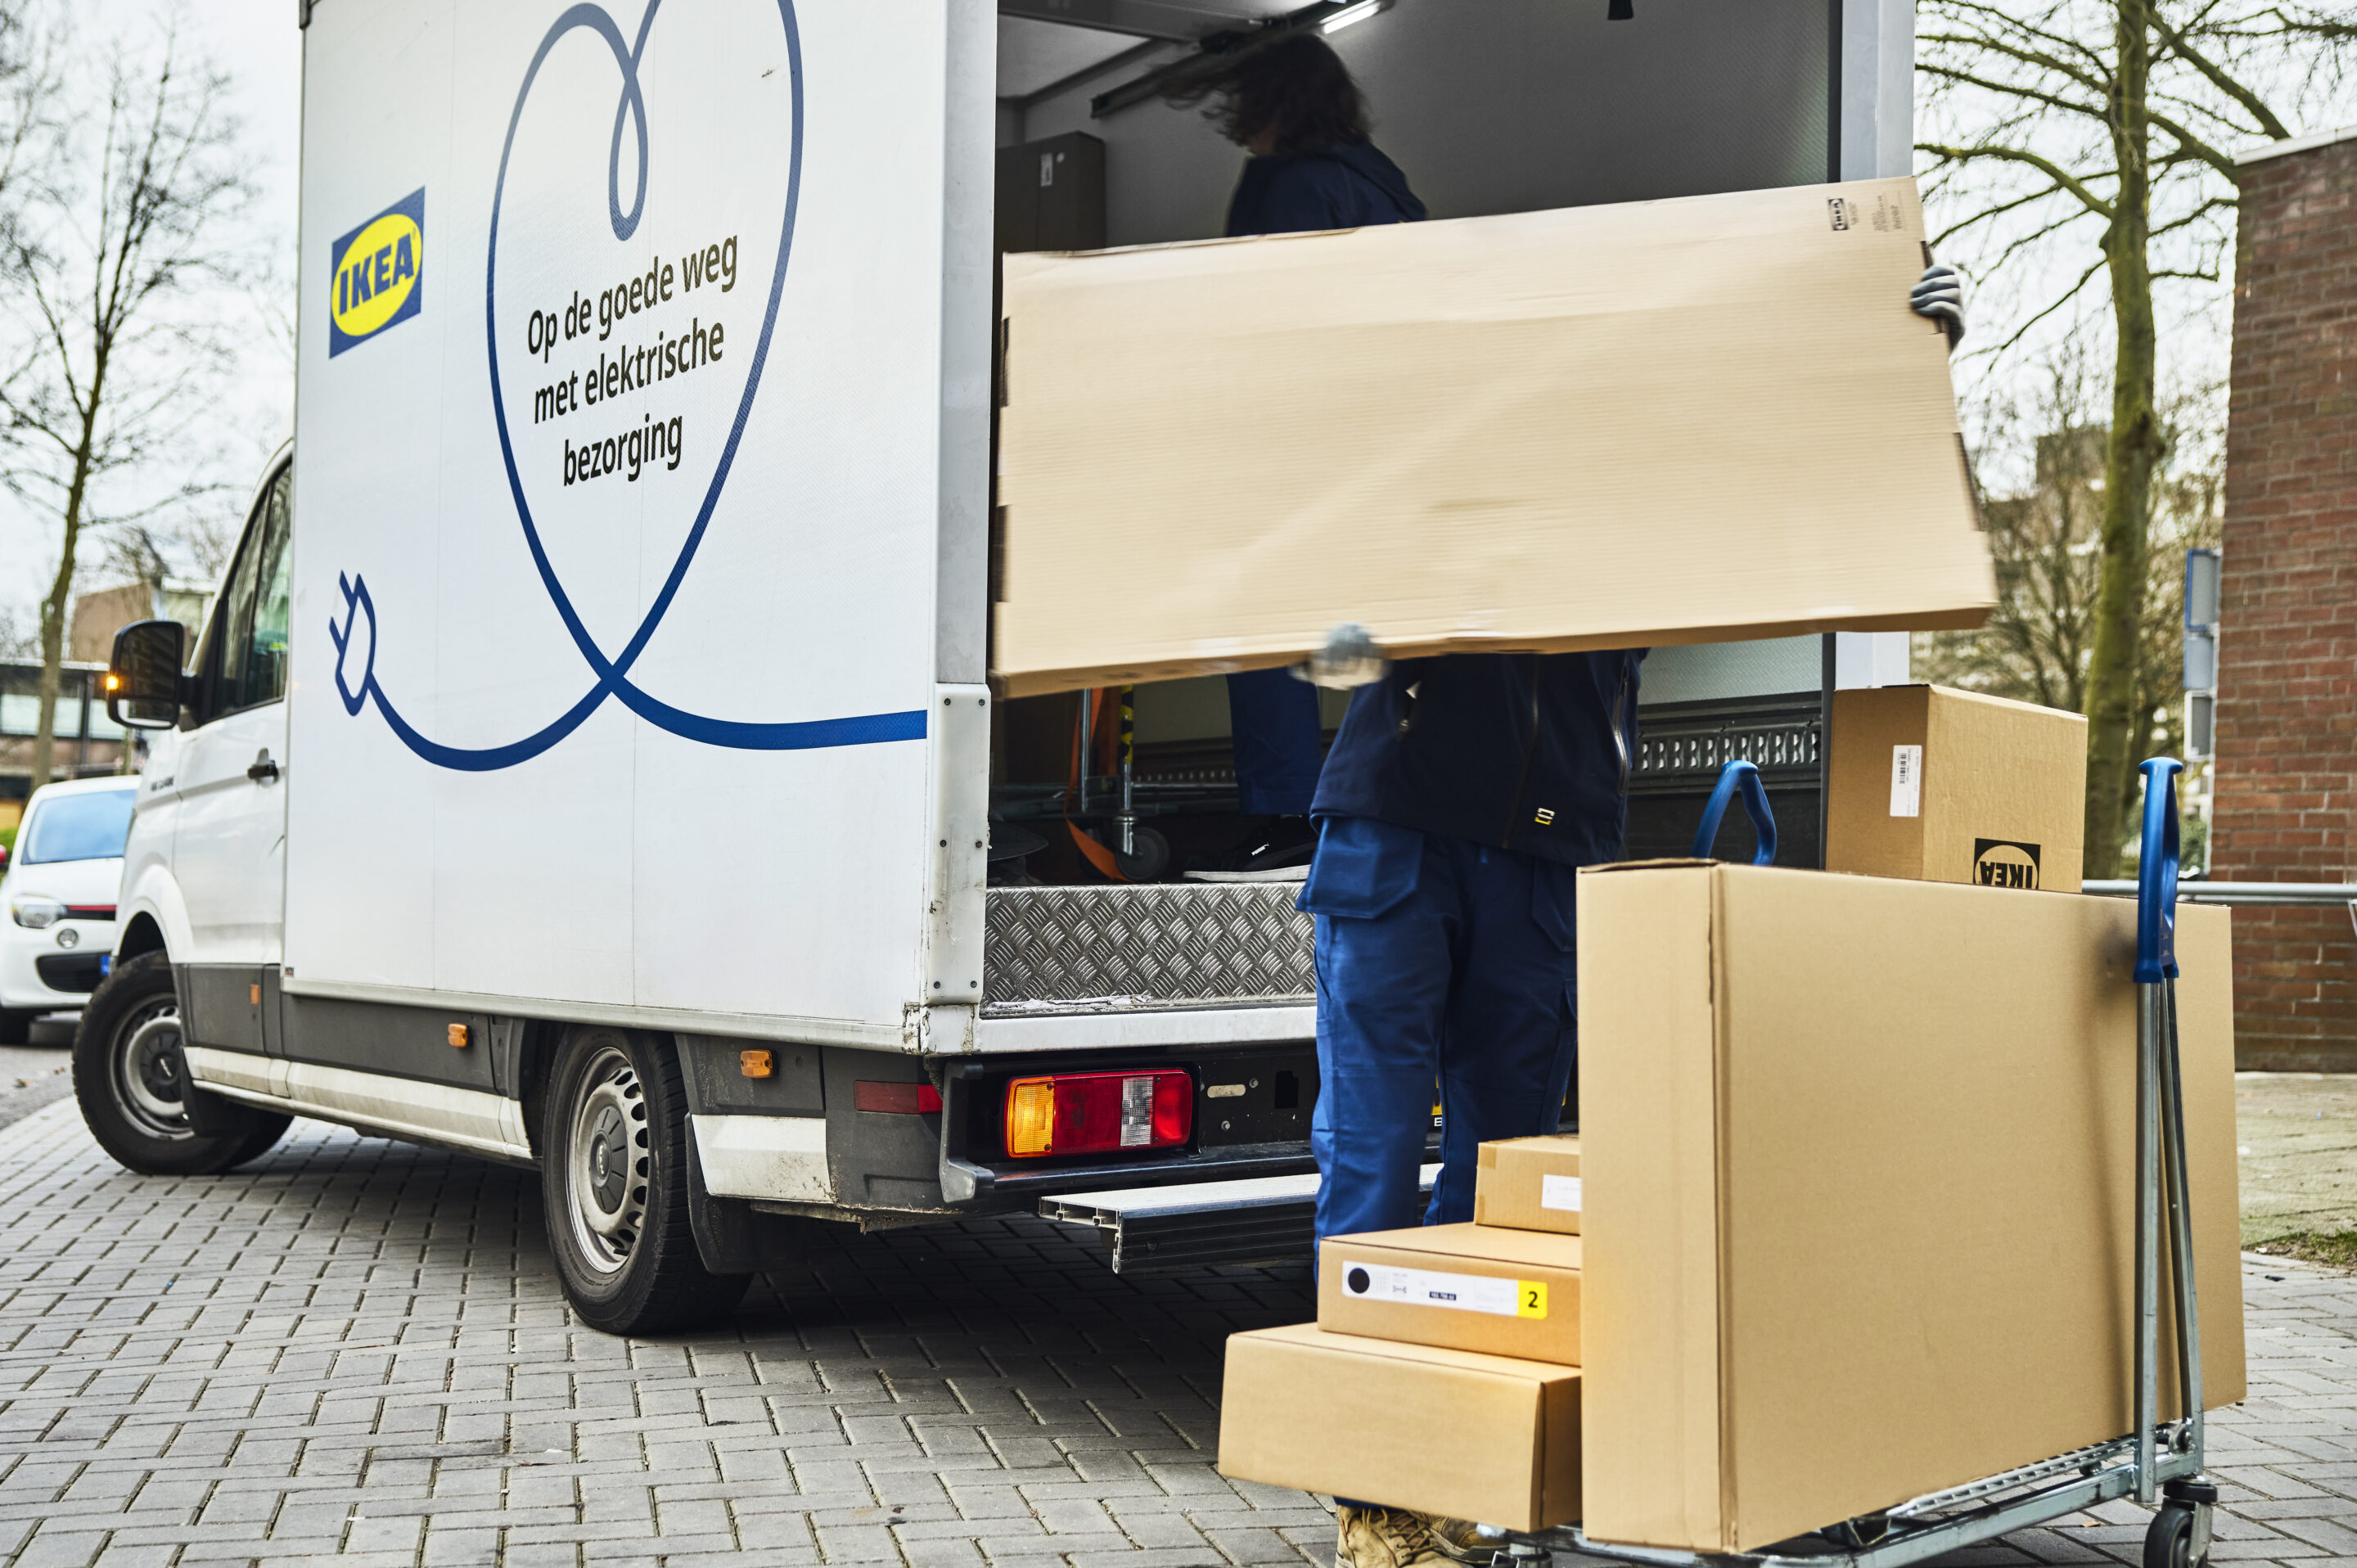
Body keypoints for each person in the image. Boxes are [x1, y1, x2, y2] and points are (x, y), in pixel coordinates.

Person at [1181, 33, 1427, 878]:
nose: (1242, 134)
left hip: (1305, 445)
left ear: (1273, 107)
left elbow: (1262, 323)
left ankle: (1288, 816)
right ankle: (1368, 805)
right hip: (1391, 448)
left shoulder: (1290, 186)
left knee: (1262, 625)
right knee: (1366, 637)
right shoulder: (1386, 187)